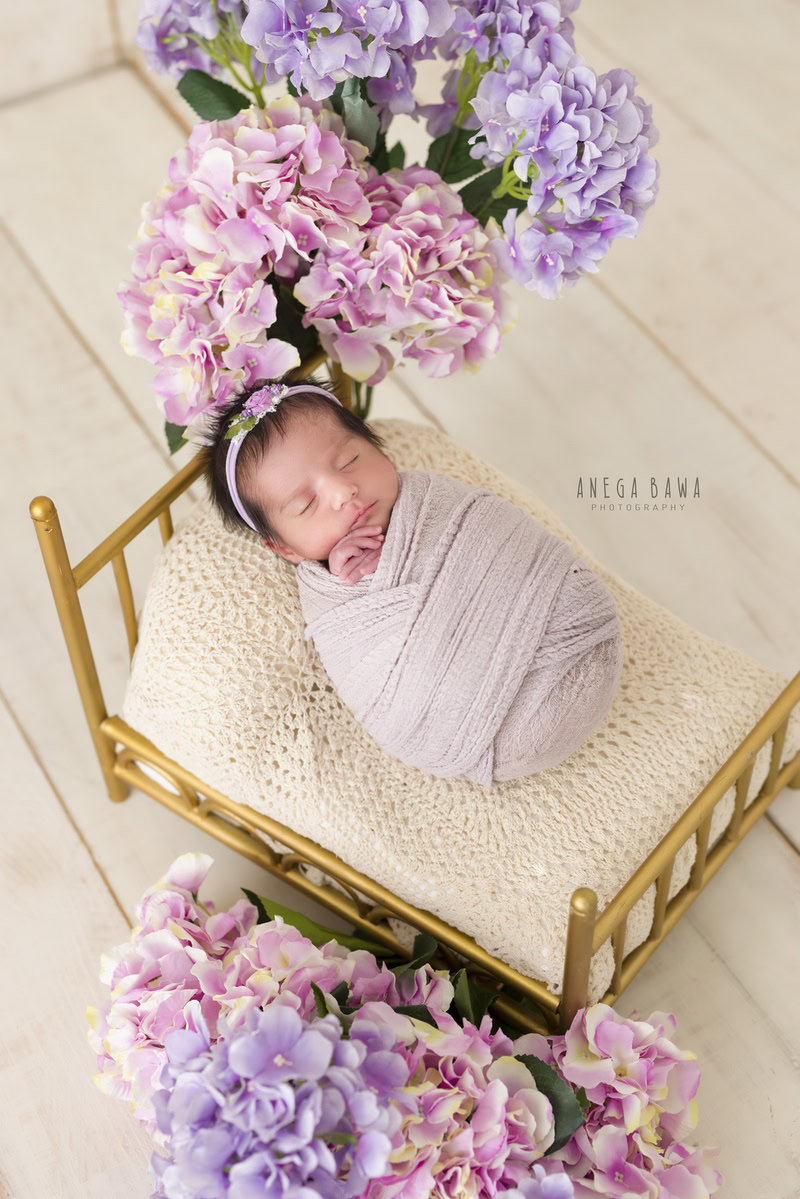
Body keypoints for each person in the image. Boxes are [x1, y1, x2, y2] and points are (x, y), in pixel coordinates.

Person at [199, 373, 399, 585]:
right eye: (307, 504)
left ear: (382, 452)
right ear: (285, 548)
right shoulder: (320, 588)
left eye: (349, 461)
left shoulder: (428, 494)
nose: (343, 493)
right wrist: (342, 583)